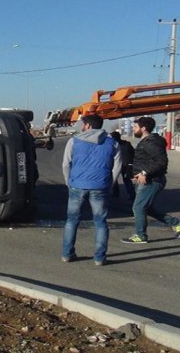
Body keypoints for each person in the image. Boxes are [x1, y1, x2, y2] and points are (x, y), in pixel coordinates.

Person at [61, 114, 122, 266]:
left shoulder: (73, 141)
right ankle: (99, 258)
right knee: (100, 222)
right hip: (100, 186)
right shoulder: (112, 143)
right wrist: (110, 184)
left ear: (87, 125)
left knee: (72, 220)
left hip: (77, 185)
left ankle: (67, 254)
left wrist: (68, 182)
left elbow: (66, 164)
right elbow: (117, 167)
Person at [121, 117, 180, 244]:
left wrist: (145, 173)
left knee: (138, 208)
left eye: (135, 127)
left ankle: (141, 235)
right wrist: (136, 173)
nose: (133, 129)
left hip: (153, 180)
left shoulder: (151, 142)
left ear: (143, 128)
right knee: (146, 208)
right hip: (147, 180)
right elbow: (146, 160)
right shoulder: (147, 141)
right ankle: (177, 223)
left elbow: (161, 162)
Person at [110, 131, 135, 201]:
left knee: (114, 179)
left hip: (116, 164)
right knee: (127, 180)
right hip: (127, 165)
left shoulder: (113, 145)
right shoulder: (127, 144)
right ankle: (132, 194)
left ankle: (115, 193)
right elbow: (133, 153)